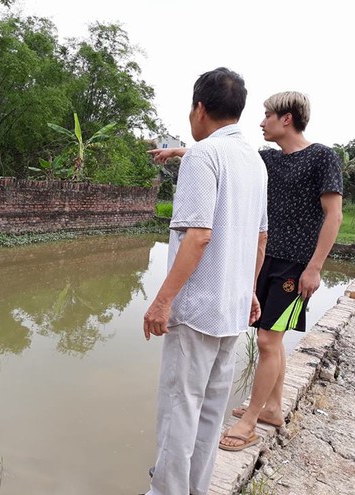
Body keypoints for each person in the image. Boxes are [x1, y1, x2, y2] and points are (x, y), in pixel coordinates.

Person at [142, 67, 268, 495]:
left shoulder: (203, 156)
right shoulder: (254, 160)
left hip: (197, 310)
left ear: (199, 108)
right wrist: (249, 289)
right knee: (211, 410)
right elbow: (260, 236)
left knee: (180, 407)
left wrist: (162, 301)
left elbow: (198, 235)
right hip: (232, 308)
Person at [217, 91, 344, 450]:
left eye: (268, 115)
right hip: (265, 259)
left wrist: (315, 268)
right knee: (272, 339)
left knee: (267, 340)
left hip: (296, 265)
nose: (262, 122)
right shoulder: (269, 160)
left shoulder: (322, 157)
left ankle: (251, 421)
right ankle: (273, 407)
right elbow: (227, 158)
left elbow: (334, 216)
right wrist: (180, 153)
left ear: (286, 118)